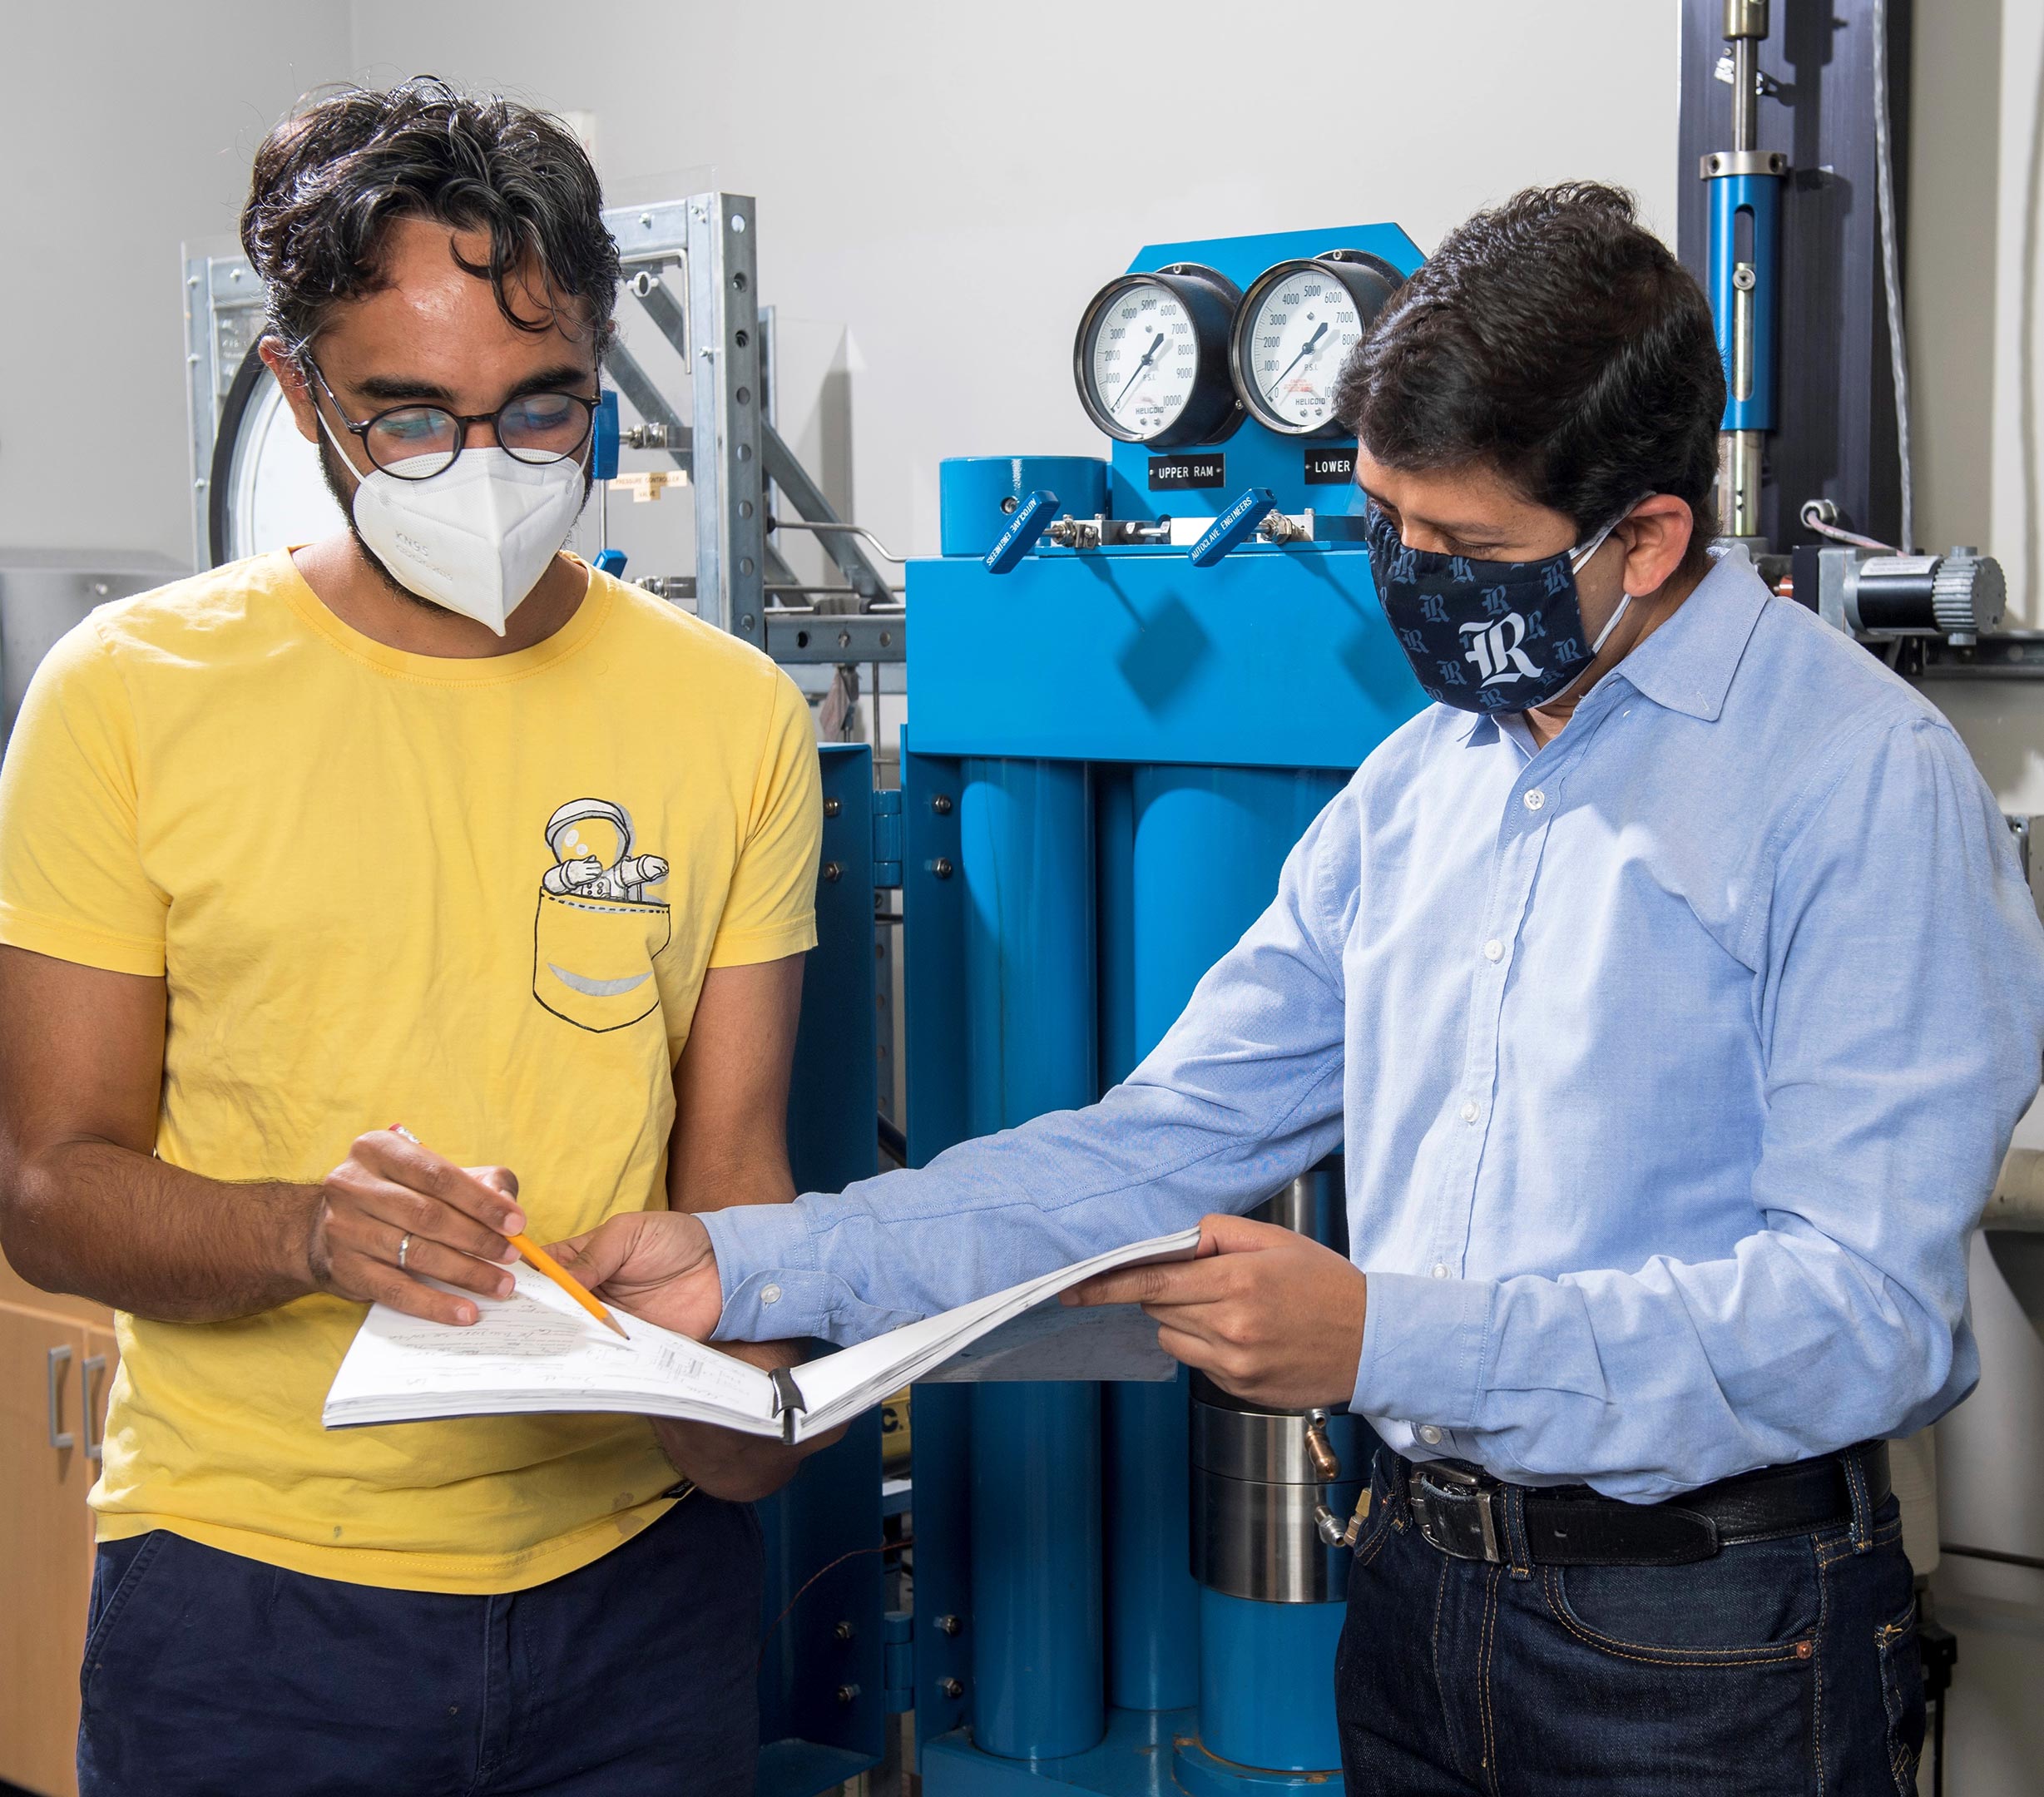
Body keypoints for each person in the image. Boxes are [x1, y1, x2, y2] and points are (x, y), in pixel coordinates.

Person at [554, 185, 2044, 1795]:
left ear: (1650, 537)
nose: (1414, 580)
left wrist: (1384, 1338)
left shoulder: (1856, 784)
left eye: (1466, 549)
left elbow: (1862, 1318)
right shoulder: (1419, 786)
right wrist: (748, 1263)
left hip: (1704, 1637)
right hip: (1410, 1593)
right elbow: (1153, 1148)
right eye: (1391, 526)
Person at [0, 79, 824, 1797]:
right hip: (250, 1600)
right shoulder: (127, 695)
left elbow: (735, 1168)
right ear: (299, 388)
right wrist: (308, 1230)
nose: (487, 470)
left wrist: (753, 1392)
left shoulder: (731, 714)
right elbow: (49, 1188)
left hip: (636, 1588)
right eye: (410, 418)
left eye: (542, 409)